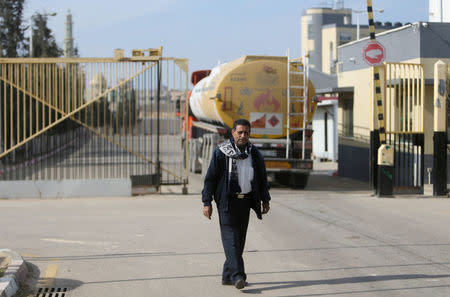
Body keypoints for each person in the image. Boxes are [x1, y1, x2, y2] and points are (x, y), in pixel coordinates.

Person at [202, 118, 271, 290]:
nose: (242, 135)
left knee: (239, 240)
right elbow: (210, 179)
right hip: (227, 202)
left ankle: (227, 276)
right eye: (239, 132)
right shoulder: (221, 152)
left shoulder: (253, 153)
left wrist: (265, 199)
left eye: (246, 132)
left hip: (245, 202)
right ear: (232, 133)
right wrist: (207, 202)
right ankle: (238, 275)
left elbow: (262, 178)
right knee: (231, 239)